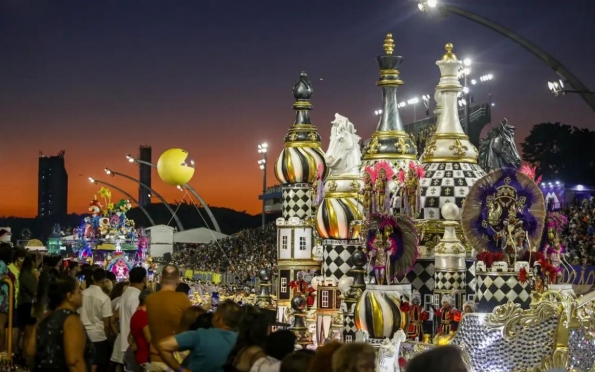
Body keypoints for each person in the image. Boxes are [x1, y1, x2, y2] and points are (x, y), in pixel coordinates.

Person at [25, 276, 94, 372]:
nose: (82, 294)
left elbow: (30, 352)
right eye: (78, 291)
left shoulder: (43, 320)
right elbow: (74, 362)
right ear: (69, 296)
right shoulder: (71, 320)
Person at [158, 299, 242, 372]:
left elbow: (163, 345)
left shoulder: (200, 335)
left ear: (217, 318)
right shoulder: (242, 341)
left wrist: (181, 370)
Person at [146, 265, 192, 371]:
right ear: (178, 280)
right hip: (175, 361)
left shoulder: (150, 299)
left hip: (155, 358)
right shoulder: (182, 299)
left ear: (161, 278)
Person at [79, 268, 113, 372]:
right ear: (104, 280)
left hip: (82, 335)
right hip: (98, 337)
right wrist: (106, 337)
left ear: (92, 278)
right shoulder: (104, 298)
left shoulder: (82, 294)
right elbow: (107, 324)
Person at [118, 267, 147, 364]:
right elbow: (136, 321)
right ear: (144, 279)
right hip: (133, 344)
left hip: (126, 342)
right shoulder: (136, 296)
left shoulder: (127, 292)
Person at [17, 253, 40, 359]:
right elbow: (35, 290)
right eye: (37, 260)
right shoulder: (27, 275)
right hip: (27, 306)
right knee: (29, 333)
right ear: (32, 262)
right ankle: (26, 357)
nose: (39, 263)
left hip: (27, 305)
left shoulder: (27, 273)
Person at [128, 289, 153, 371]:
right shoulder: (143, 316)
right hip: (145, 357)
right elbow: (149, 339)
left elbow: (130, 337)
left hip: (141, 356)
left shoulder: (137, 314)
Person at [0, 243, 12, 354]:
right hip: (2, 300)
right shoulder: (2, 263)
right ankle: (2, 352)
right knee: (1, 327)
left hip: (3, 300)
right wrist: (4, 277)